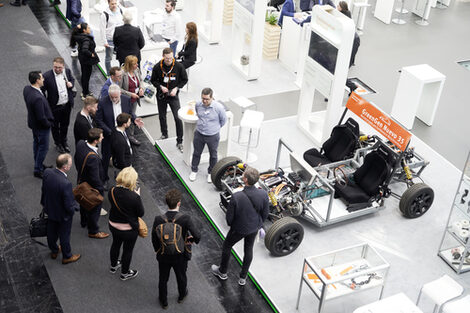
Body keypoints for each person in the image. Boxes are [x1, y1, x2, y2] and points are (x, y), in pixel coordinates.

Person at [211, 167, 269, 286]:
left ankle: (222, 272)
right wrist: (258, 224)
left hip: (238, 229)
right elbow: (265, 213)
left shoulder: (237, 197)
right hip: (254, 228)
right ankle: (243, 277)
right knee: (248, 249)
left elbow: (229, 219)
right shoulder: (263, 194)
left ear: (246, 180)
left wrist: (234, 226)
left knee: (227, 246)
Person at [151, 189, 200, 309]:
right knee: (181, 276)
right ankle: (182, 295)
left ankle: (164, 301)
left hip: (163, 255)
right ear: (179, 203)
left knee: (163, 278)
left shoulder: (158, 219)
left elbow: (154, 238)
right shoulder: (185, 219)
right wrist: (192, 240)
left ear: (167, 203)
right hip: (180, 255)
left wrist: (158, 250)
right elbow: (197, 235)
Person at [95, 84, 144, 183]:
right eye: (111, 97)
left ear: (120, 93)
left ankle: (122, 176)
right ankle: (104, 179)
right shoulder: (103, 102)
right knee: (106, 157)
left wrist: (134, 119)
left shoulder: (126, 100)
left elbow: (130, 113)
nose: (113, 99)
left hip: (122, 134)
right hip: (109, 136)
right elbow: (99, 120)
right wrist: (111, 132)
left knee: (123, 156)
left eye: (116, 97)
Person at [41, 154, 81, 264]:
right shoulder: (66, 184)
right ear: (65, 167)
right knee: (64, 235)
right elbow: (68, 205)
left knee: (51, 232)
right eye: (70, 164)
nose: (71, 165)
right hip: (63, 214)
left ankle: (54, 250)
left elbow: (44, 189)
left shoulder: (48, 172)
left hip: (50, 209)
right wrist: (72, 211)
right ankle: (67, 256)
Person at [108, 167, 144, 281]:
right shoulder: (134, 197)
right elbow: (141, 213)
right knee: (128, 250)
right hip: (128, 230)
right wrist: (138, 196)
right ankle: (125, 273)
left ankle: (113, 266)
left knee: (115, 244)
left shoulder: (112, 190)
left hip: (113, 225)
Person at [150, 47, 188, 152]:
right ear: (163, 57)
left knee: (178, 117)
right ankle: (164, 134)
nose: (169, 60)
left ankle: (180, 141)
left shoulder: (179, 66)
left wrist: (176, 88)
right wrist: (160, 87)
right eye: (167, 58)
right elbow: (153, 80)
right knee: (162, 116)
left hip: (173, 95)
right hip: (162, 95)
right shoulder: (157, 67)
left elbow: (184, 79)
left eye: (171, 58)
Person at [74, 128, 109, 238]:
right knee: (95, 208)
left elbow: (76, 159)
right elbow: (95, 178)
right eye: (101, 136)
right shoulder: (93, 157)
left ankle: (83, 221)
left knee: (84, 202)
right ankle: (93, 231)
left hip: (82, 180)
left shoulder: (80, 144)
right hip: (92, 186)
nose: (103, 137)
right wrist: (100, 189)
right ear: (95, 140)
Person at [189, 88, 226, 183]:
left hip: (213, 136)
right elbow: (198, 114)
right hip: (199, 134)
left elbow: (223, 121)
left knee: (213, 155)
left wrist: (213, 128)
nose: (204, 101)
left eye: (207, 99)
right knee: (196, 153)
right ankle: (194, 170)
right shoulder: (198, 104)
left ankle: (211, 173)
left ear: (212, 98)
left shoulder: (219, 108)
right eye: (203, 98)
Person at [41, 57, 76, 154]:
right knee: (55, 126)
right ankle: (58, 143)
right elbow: (42, 90)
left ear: (63, 66)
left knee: (65, 125)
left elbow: (72, 80)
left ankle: (64, 141)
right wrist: (46, 103)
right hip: (54, 107)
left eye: (59, 68)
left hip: (66, 105)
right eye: (55, 67)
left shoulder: (67, 72)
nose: (57, 69)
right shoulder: (47, 76)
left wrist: (71, 84)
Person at [24, 71, 54, 179]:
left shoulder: (27, 89)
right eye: (42, 78)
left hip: (33, 124)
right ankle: (38, 169)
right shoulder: (38, 98)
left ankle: (39, 164)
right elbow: (41, 117)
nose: (44, 79)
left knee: (36, 143)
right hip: (41, 127)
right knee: (43, 147)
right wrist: (48, 124)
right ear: (37, 80)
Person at [70, 23, 100, 99]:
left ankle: (85, 91)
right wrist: (91, 54)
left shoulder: (79, 36)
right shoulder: (86, 39)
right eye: (88, 28)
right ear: (84, 30)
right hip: (87, 60)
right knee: (86, 77)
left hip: (83, 59)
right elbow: (84, 49)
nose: (90, 29)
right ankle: (85, 93)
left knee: (84, 76)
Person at [119, 55, 144, 144]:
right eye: (134, 64)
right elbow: (119, 89)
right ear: (129, 65)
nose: (137, 65)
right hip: (126, 100)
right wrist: (131, 94)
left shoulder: (137, 70)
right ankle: (127, 136)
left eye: (137, 63)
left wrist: (141, 88)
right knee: (127, 117)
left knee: (132, 117)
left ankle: (131, 135)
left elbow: (141, 80)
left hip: (134, 100)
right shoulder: (122, 74)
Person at [100, 0, 123, 75]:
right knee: (108, 58)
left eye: (115, 3)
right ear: (108, 3)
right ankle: (108, 74)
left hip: (119, 39)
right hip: (110, 39)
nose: (114, 5)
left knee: (120, 57)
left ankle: (120, 74)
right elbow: (102, 29)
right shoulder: (105, 14)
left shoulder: (120, 11)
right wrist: (105, 42)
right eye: (112, 4)